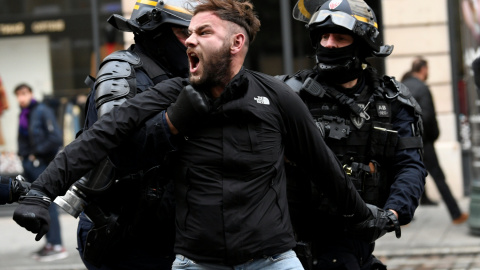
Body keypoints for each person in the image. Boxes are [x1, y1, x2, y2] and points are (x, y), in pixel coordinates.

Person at [12, 0, 394, 269]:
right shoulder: (171, 92)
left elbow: (323, 167)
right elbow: (99, 139)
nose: (190, 40)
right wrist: (40, 192)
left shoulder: (277, 96)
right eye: (187, 32)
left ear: (236, 43)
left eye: (201, 32)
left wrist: (366, 217)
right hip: (190, 259)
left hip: (270, 260)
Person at [279, 0, 428, 269]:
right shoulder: (289, 95)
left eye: (339, 37)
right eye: (323, 36)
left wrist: (392, 213)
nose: (329, 44)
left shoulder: (392, 101)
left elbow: (410, 166)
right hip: (294, 241)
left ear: (361, 44)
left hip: (356, 239)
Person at [53, 1, 194, 269]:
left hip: (171, 231)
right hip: (125, 230)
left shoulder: (180, 74)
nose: (192, 42)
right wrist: (172, 123)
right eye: (184, 33)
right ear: (156, 32)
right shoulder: (123, 70)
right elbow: (116, 141)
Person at [402, 57, 469, 225]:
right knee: (439, 177)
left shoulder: (402, 86)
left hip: (404, 140)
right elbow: (429, 118)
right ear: (423, 69)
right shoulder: (422, 88)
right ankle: (456, 214)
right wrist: (432, 136)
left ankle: (402, 215)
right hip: (423, 142)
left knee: (405, 175)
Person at [14, 83, 66, 262]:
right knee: (38, 205)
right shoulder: (24, 114)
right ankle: (50, 243)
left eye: (24, 93)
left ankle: (58, 245)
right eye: (18, 95)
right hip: (30, 165)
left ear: (30, 94)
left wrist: (36, 153)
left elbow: (56, 139)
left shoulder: (42, 111)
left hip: (42, 165)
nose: (21, 98)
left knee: (46, 204)